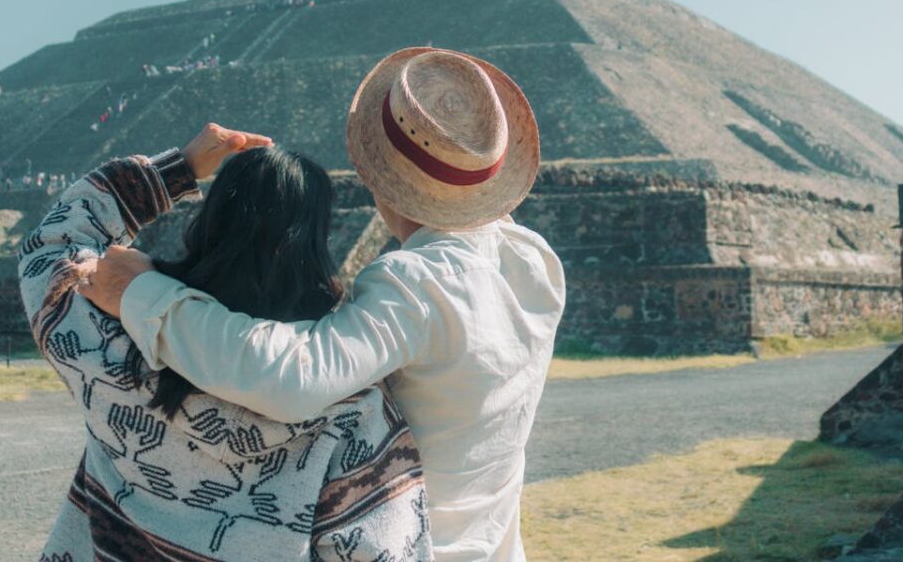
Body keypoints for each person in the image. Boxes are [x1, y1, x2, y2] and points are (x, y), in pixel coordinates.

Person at [83, 48, 565, 561]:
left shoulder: (414, 283)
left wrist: (143, 293)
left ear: (378, 177)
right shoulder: (533, 262)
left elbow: (296, 378)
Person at [20, 130, 432, 561]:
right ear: (314, 247)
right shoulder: (351, 410)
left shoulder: (114, 348)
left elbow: (51, 246)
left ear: (209, 224)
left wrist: (178, 168)